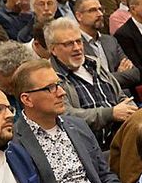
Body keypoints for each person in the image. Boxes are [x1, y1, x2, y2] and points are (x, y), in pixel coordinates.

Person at [12, 60, 125, 183]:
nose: (62, 92)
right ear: (27, 99)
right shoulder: (15, 144)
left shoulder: (77, 126)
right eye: (51, 88)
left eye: (59, 84)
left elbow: (104, 175)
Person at [47, 17, 135, 148]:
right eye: (68, 44)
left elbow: (120, 97)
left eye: (79, 41)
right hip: (87, 148)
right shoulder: (50, 77)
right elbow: (66, 115)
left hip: (120, 140)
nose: (77, 48)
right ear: (53, 49)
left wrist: (131, 110)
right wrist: (110, 114)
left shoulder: (94, 64)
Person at [74, 0, 140, 90]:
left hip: (122, 96)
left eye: (100, 9)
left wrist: (107, 77)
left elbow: (135, 74)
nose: (100, 14)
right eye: (93, 10)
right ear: (79, 16)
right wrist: (118, 74)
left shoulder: (110, 41)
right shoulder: (75, 45)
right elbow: (90, 81)